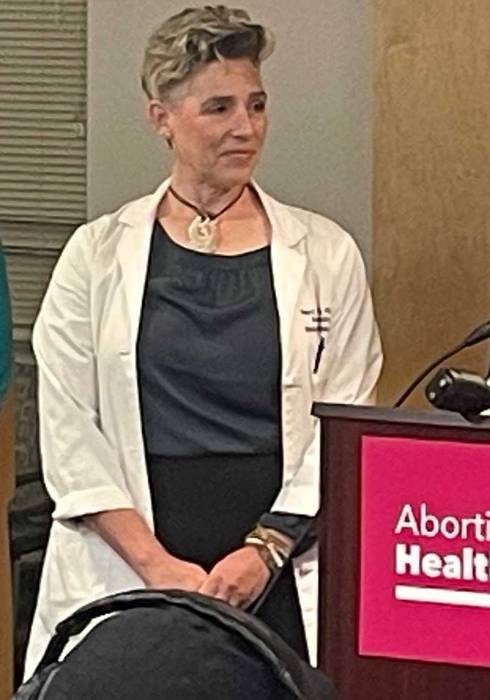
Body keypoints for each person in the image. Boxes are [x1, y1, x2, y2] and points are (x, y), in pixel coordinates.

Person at [25, 6, 382, 674]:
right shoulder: (95, 254)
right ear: (161, 117)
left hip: (275, 555)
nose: (245, 127)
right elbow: (70, 433)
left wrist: (266, 551)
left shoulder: (326, 253)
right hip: (134, 554)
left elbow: (346, 417)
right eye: (218, 108)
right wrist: (155, 565)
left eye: (256, 105)